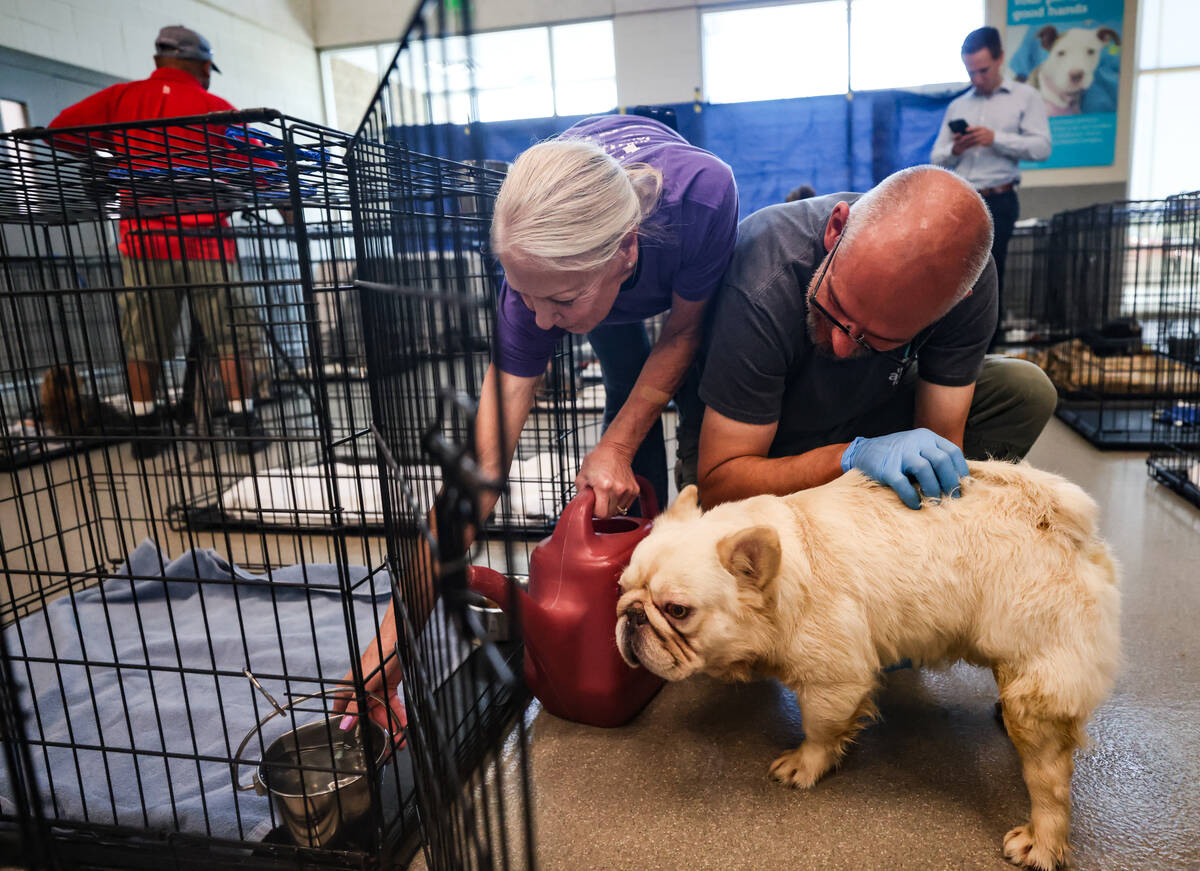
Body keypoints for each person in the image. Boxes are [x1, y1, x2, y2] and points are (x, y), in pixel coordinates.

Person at [334, 113, 739, 731]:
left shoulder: (704, 197)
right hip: (595, 274)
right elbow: (480, 475)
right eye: (524, 296)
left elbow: (683, 334)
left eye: (558, 301)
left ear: (626, 249)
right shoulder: (533, 293)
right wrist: (389, 646)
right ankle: (629, 564)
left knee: (682, 405)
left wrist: (618, 445)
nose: (541, 323)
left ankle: (670, 585)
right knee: (620, 384)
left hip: (660, 259)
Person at [694, 165, 1058, 511]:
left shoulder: (961, 281)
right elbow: (719, 487)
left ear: (952, 302)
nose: (839, 345)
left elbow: (940, 443)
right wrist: (849, 458)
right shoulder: (764, 276)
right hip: (759, 443)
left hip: (862, 408)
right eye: (834, 304)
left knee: (1024, 388)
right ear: (836, 229)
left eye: (875, 337)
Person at [47, 25, 267, 456]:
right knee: (233, 335)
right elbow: (258, 161)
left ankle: (147, 429)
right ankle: (244, 424)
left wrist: (109, 156)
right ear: (204, 66)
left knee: (142, 338)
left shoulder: (122, 99)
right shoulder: (214, 106)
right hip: (207, 240)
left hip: (145, 239)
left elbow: (61, 131)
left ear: (156, 61)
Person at [931, 26, 1051, 348]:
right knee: (954, 275)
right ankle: (952, 345)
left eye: (983, 70)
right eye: (970, 72)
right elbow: (936, 158)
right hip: (962, 202)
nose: (977, 79)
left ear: (999, 59)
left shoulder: (1027, 97)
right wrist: (956, 150)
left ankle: (987, 350)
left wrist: (995, 139)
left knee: (990, 276)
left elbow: (1041, 147)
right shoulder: (958, 107)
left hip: (1000, 199)